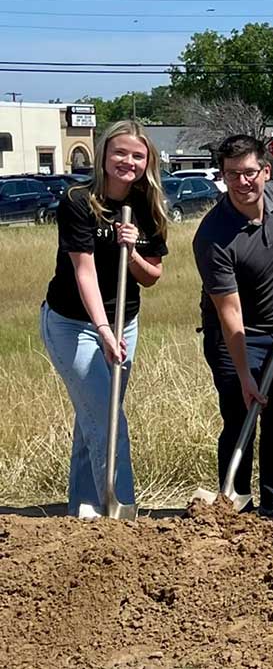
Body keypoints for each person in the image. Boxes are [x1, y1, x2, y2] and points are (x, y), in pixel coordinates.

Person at [39, 120, 168, 518]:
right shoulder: (79, 200)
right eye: (120, 152)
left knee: (92, 414)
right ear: (104, 155)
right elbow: (85, 272)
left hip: (125, 322)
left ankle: (84, 507)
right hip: (73, 323)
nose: (128, 161)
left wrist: (132, 253)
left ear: (148, 161)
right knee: (108, 417)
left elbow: (152, 277)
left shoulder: (148, 205)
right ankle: (120, 509)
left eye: (137, 155)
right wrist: (103, 330)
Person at [192, 135, 273, 519]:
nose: (243, 182)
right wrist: (245, 373)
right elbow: (230, 314)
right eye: (233, 175)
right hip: (233, 338)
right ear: (222, 176)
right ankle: (236, 504)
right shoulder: (214, 236)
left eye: (249, 173)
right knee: (240, 419)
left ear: (265, 171)